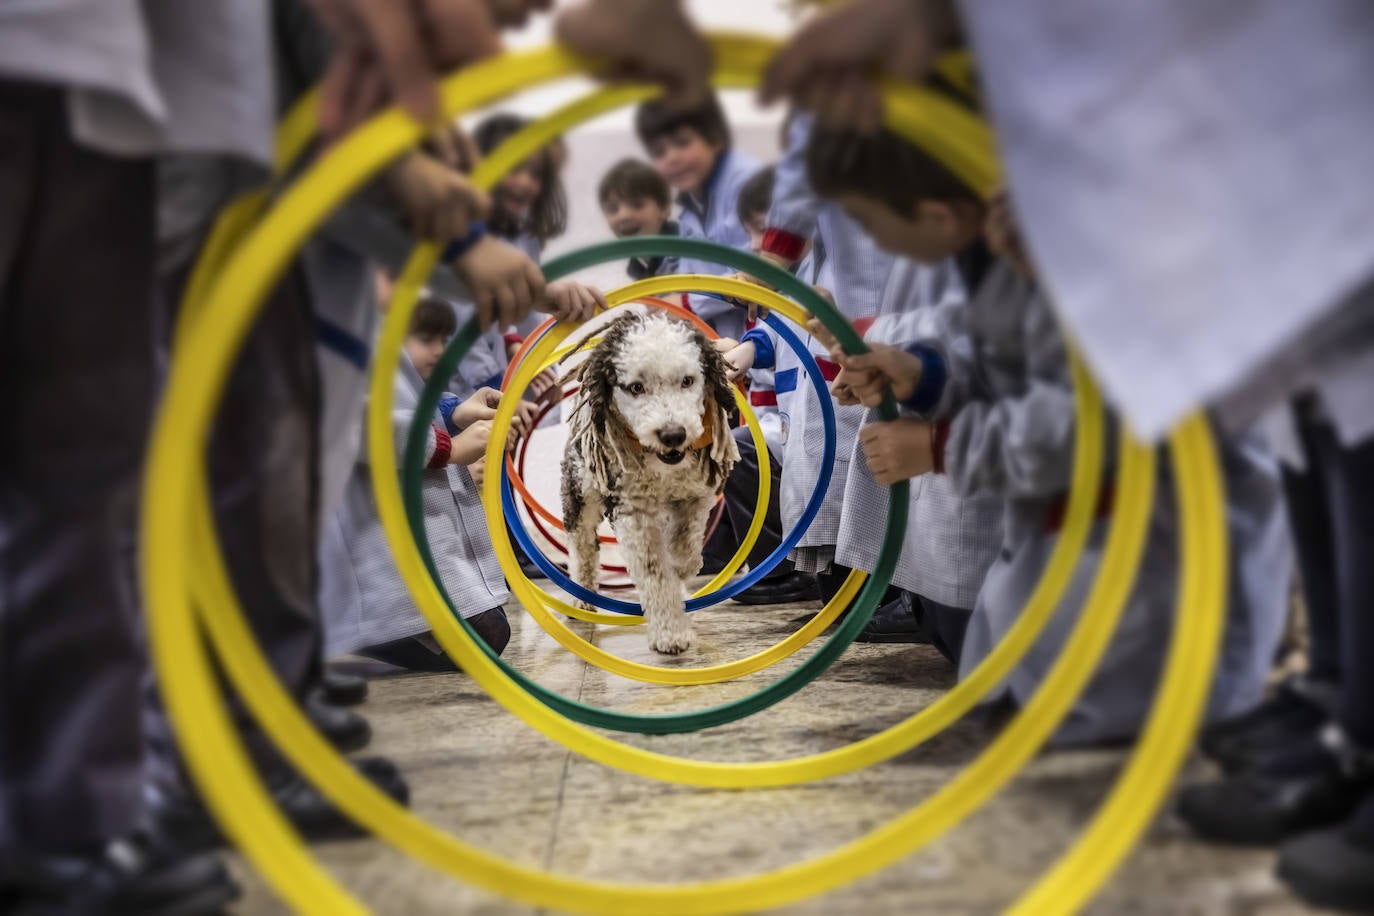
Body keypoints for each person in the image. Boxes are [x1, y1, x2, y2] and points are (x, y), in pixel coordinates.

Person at [808, 125, 1290, 747]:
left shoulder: (1115, 257)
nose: (877, 246)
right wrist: (920, 374)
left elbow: (1096, 418)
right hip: (1067, 563)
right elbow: (997, 355)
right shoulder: (1012, 256)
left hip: (1157, 566)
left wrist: (939, 446)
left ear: (936, 213)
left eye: (878, 227)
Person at [320, 297, 515, 672]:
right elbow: (364, 420)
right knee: (486, 636)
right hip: (376, 538)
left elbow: (405, 401)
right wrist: (451, 447)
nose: (441, 352)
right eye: (427, 339)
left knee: (490, 631)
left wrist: (455, 411)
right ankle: (351, 628)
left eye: (444, 340)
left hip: (413, 535)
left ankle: (356, 626)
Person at [633, 92, 758, 341]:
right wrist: (669, 303)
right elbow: (693, 279)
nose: (672, 158)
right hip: (731, 348)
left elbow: (759, 272)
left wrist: (685, 302)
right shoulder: (692, 208)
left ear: (715, 138)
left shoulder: (748, 185)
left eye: (682, 142)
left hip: (766, 347)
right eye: (659, 152)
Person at [597, 157, 679, 280]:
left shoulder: (687, 249)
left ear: (664, 208)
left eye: (637, 204)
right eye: (613, 209)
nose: (624, 215)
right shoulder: (636, 266)